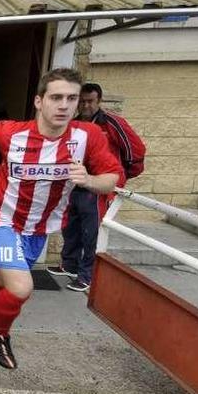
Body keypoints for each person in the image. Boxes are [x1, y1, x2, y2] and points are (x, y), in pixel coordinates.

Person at [0, 68, 123, 370]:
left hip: (37, 229)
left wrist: (89, 180)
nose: (64, 105)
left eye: (72, 98)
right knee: (20, 287)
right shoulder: (11, 133)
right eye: (56, 97)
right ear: (39, 102)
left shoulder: (88, 137)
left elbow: (112, 178)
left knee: (6, 278)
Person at [47, 82, 146, 292]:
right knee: (70, 227)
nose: (85, 105)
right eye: (81, 101)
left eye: (90, 101)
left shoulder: (111, 123)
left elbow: (135, 151)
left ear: (98, 101)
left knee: (92, 232)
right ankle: (69, 264)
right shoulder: (73, 124)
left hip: (99, 186)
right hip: (74, 185)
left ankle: (86, 275)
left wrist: (120, 177)